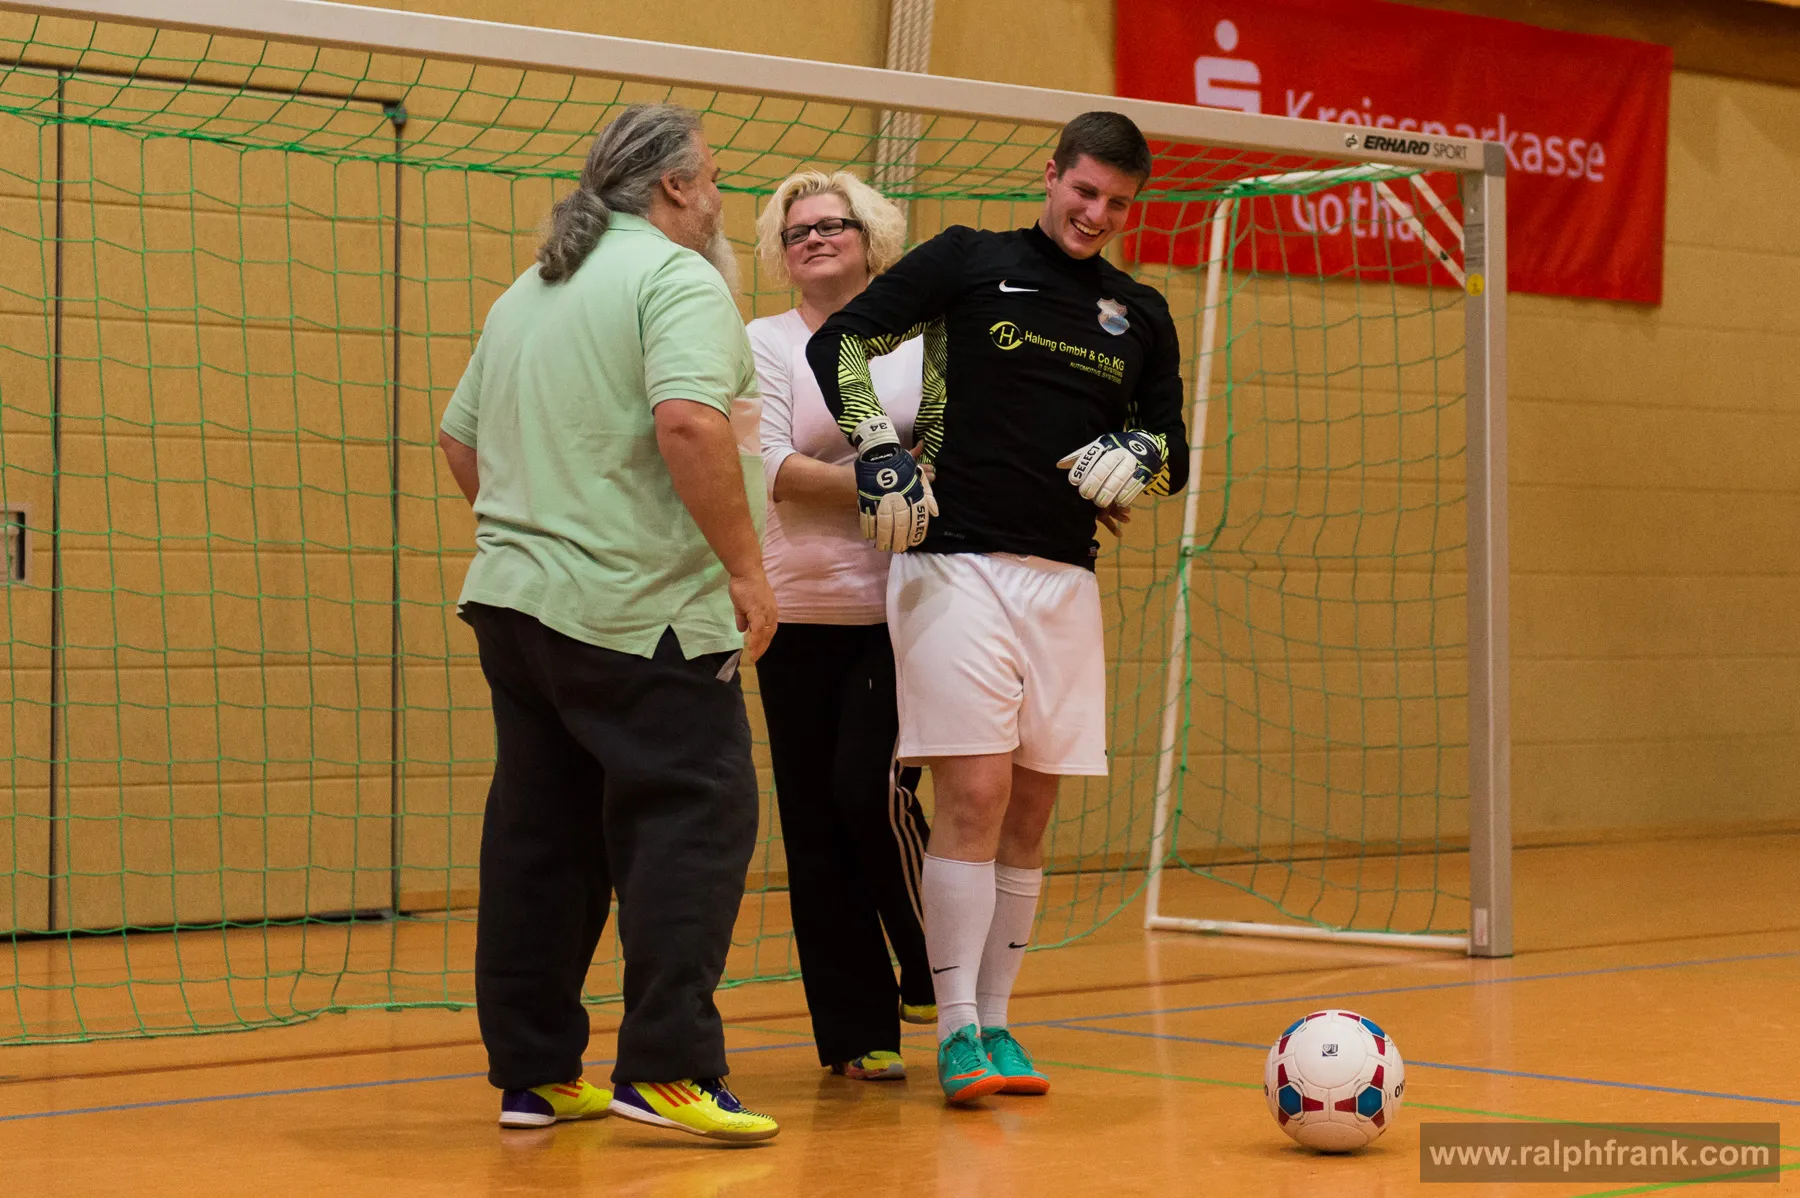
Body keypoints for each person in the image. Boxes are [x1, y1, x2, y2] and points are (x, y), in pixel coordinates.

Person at [806, 111, 1190, 1105]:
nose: (1095, 214)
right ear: (1051, 174)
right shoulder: (970, 260)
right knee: (973, 795)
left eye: (1117, 203)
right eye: (1084, 191)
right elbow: (842, 342)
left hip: (1064, 581)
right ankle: (956, 1031)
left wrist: (1144, 453)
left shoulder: (1140, 312)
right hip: (954, 565)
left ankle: (1001, 1022)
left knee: (1031, 809)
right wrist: (875, 445)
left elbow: (1172, 445)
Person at [438, 103, 780, 1143]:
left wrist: (539, 532)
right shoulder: (679, 280)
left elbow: (458, 441)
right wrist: (746, 568)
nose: (719, 196)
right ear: (674, 186)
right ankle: (668, 1069)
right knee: (696, 816)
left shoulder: (528, 290)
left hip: (515, 609)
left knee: (542, 834)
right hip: (640, 613)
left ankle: (536, 1074)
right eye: (712, 175)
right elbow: (689, 422)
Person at [746, 170, 934, 1084]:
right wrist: (887, 481)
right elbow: (774, 469)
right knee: (814, 824)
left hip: (903, 608)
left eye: (832, 225)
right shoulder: (765, 342)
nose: (814, 239)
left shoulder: (921, 343)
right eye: (797, 232)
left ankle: (935, 959)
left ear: (872, 239)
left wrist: (891, 481)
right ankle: (859, 1034)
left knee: (869, 789)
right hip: (794, 611)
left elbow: (949, 456)